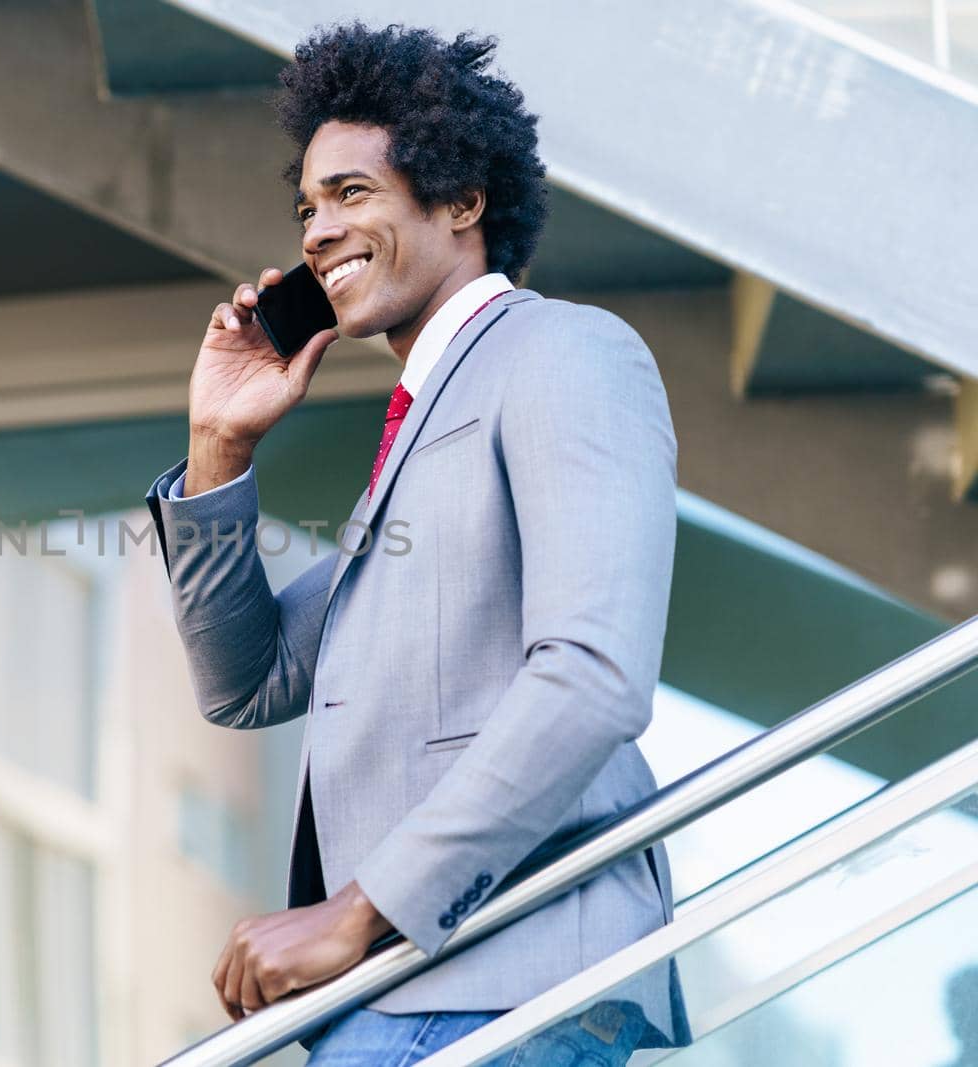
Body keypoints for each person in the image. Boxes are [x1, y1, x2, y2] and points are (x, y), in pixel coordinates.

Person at [142, 22, 691, 1066]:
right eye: (306, 205)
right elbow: (244, 680)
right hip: (408, 991)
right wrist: (216, 443)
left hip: (499, 976)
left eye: (351, 194)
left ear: (460, 199)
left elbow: (593, 673)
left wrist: (358, 908)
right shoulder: (422, 429)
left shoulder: (561, 351)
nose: (315, 230)